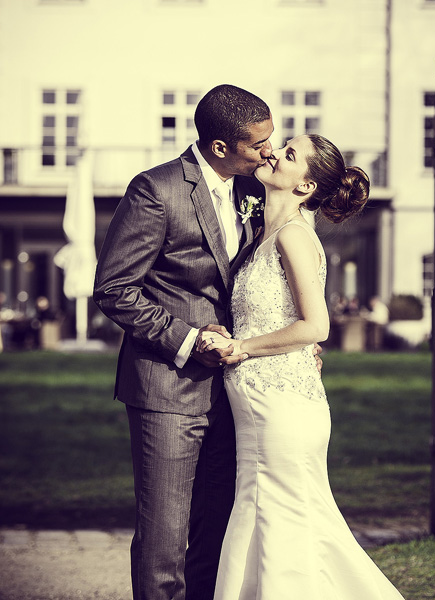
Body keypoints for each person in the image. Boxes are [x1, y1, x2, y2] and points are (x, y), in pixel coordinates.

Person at [94, 84, 319, 600]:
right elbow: (113, 289)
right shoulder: (156, 190)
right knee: (164, 541)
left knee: (217, 536)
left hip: (240, 394)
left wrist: (294, 339)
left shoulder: (252, 192)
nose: (269, 152)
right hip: (167, 390)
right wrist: (189, 338)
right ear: (220, 147)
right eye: (258, 145)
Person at [198, 134, 405, 599]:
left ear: (306, 186)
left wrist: (243, 348)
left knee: (282, 522)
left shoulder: (292, 235)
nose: (272, 153)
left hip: (281, 408)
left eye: (288, 154)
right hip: (266, 406)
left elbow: (316, 326)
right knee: (276, 522)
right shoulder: (265, 235)